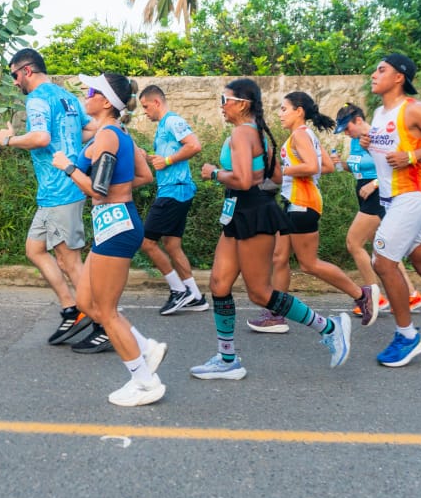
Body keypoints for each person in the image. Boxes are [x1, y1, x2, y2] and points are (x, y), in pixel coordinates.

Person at [191, 79, 352, 380]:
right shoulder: (258, 133)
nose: (221, 107)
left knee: (260, 293)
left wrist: (213, 172)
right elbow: (274, 178)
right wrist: (248, 177)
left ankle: (329, 328)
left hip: (252, 214)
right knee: (219, 284)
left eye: (223, 100)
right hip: (239, 212)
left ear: (242, 103)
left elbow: (240, 180)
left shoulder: (242, 133)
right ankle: (227, 360)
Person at [53, 73, 167, 406]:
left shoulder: (106, 137)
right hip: (112, 225)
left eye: (91, 91)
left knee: (107, 310)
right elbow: (145, 176)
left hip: (117, 227)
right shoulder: (120, 134)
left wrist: (68, 168)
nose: (85, 95)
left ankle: (144, 382)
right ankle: (146, 347)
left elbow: (98, 191)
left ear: (105, 102)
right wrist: (119, 189)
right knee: (88, 304)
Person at [247, 91, 378, 333]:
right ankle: (276, 313)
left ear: (299, 111)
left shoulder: (299, 135)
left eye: (284, 109)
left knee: (309, 264)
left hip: (302, 203)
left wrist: (279, 171)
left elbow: (313, 166)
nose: (280, 114)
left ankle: (362, 294)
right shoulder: (305, 135)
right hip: (294, 202)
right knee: (279, 257)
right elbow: (327, 166)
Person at [0, 48, 94, 346]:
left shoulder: (37, 98)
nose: (14, 82)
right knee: (35, 249)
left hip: (59, 189)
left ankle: (102, 320)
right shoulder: (66, 96)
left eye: (14, 75)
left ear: (27, 71)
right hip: (58, 190)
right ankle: (71, 308)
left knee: (69, 261)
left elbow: (40, 138)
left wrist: (8, 140)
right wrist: (72, 143)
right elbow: (90, 128)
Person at [361, 53, 421, 366]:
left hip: (412, 195)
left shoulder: (414, 109)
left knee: (383, 262)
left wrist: (413, 156)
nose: (374, 74)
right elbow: (385, 151)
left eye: (381, 69)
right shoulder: (377, 112)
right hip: (391, 200)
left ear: (399, 77)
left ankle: (407, 336)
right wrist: (367, 143)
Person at [333, 102, 421, 316]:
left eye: (348, 128)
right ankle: (412, 295)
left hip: (378, 195)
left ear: (358, 120)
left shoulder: (379, 135)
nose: (346, 134)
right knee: (381, 248)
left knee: (353, 242)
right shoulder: (358, 142)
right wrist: (341, 164)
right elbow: (358, 167)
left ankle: (374, 299)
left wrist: (373, 184)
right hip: (364, 195)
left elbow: (395, 166)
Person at [138, 85, 208, 315]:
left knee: (146, 242)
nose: (145, 112)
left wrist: (166, 161)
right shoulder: (163, 125)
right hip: (175, 190)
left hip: (174, 191)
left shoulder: (172, 121)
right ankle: (195, 296)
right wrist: (151, 158)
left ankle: (179, 291)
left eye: (146, 107)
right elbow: (167, 158)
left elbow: (194, 145)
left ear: (157, 102)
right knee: (171, 244)